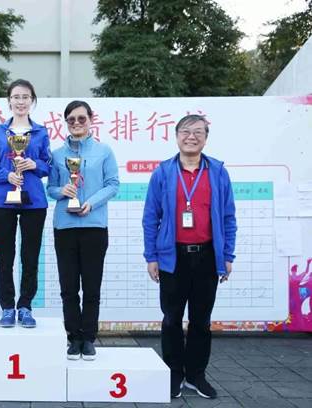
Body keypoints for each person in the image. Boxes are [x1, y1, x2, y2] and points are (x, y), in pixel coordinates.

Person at [142, 114, 237, 399]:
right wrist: (151, 256)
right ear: (176, 136)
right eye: (185, 131)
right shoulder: (163, 172)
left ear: (206, 138)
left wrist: (227, 255)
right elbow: (151, 217)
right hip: (172, 257)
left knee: (201, 320)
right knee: (171, 319)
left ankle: (196, 375)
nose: (191, 137)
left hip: (207, 256)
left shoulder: (217, 172)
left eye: (198, 132)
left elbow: (228, 217)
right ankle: (174, 374)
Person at [47, 100, 119, 360]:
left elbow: (113, 184)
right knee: (68, 287)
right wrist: (62, 190)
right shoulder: (57, 154)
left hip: (94, 226)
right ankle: (73, 337)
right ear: (66, 123)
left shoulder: (104, 151)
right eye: (71, 120)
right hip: (65, 227)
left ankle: (88, 337)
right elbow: (50, 188)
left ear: (91, 120)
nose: (76, 123)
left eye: (81, 118)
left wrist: (92, 202)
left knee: (91, 286)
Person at [0, 79, 51, 328]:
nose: (21, 101)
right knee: (5, 257)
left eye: (25, 97)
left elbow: (48, 165)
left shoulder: (41, 132)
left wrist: (34, 164)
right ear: (9, 101)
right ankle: (7, 307)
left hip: (34, 202)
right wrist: (6, 175)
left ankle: (26, 306)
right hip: (3, 201)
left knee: (30, 257)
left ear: (32, 101)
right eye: (16, 97)